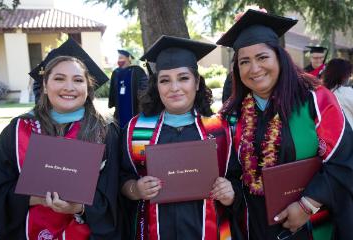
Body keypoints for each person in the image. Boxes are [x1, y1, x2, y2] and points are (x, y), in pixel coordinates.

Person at [217, 9, 353, 240]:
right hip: (255, 228)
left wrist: (306, 205)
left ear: (279, 57)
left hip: (311, 225)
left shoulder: (315, 100)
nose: (255, 68)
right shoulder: (233, 115)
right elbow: (232, 173)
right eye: (244, 61)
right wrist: (231, 193)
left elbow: (344, 159)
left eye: (262, 57)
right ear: (237, 69)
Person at [0, 38, 121, 239]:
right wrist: (34, 198)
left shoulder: (105, 132)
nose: (69, 87)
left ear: (88, 89)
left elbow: (116, 193)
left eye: (78, 80)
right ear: (44, 86)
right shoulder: (18, 130)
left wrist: (79, 207)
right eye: (59, 78)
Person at [119, 35, 243, 240]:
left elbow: (238, 180)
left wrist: (230, 194)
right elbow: (123, 179)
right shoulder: (136, 129)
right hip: (153, 231)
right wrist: (136, 190)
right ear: (156, 86)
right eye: (165, 80)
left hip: (210, 231)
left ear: (196, 83)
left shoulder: (220, 130)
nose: (174, 88)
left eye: (183, 78)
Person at [108, 49, 148, 128]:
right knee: (119, 126)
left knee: (132, 127)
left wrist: (143, 102)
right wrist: (112, 102)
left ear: (128, 59)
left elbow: (145, 87)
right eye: (118, 58)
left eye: (121, 58)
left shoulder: (137, 70)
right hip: (119, 107)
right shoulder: (116, 72)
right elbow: (112, 89)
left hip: (134, 107)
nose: (119, 60)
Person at [323, 58, 353, 127]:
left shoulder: (321, 92)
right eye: (349, 74)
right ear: (342, 76)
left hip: (327, 135)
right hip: (347, 134)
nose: (350, 76)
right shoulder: (346, 92)